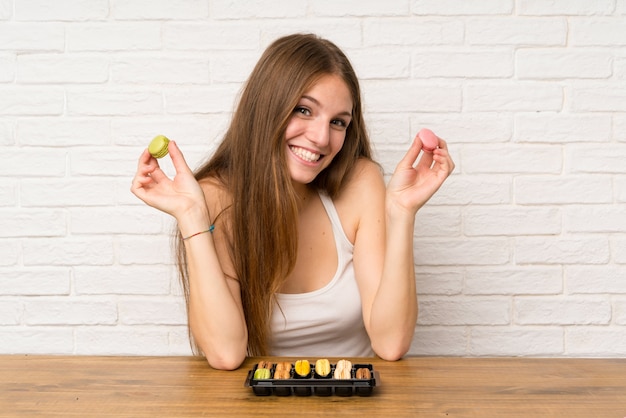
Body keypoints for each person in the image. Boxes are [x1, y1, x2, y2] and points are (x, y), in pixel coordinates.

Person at [131, 33, 454, 370]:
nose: (321, 138)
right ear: (267, 107)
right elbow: (226, 354)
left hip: (351, 400)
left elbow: (390, 344)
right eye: (304, 110)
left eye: (338, 122)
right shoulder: (215, 197)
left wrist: (401, 212)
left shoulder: (360, 182)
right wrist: (191, 216)